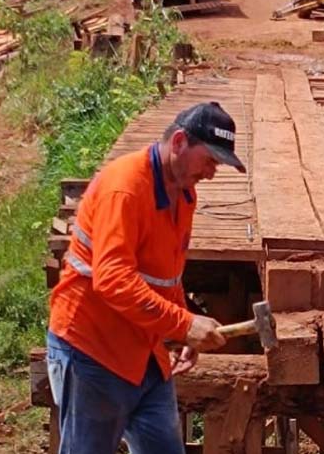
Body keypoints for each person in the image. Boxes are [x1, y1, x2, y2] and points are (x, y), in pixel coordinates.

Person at [46, 102, 247, 454]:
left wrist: (182, 325)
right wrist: (184, 324)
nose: (212, 172)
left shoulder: (183, 193)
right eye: (210, 160)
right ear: (180, 141)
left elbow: (166, 273)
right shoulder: (124, 189)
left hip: (147, 356)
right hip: (94, 351)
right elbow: (112, 279)